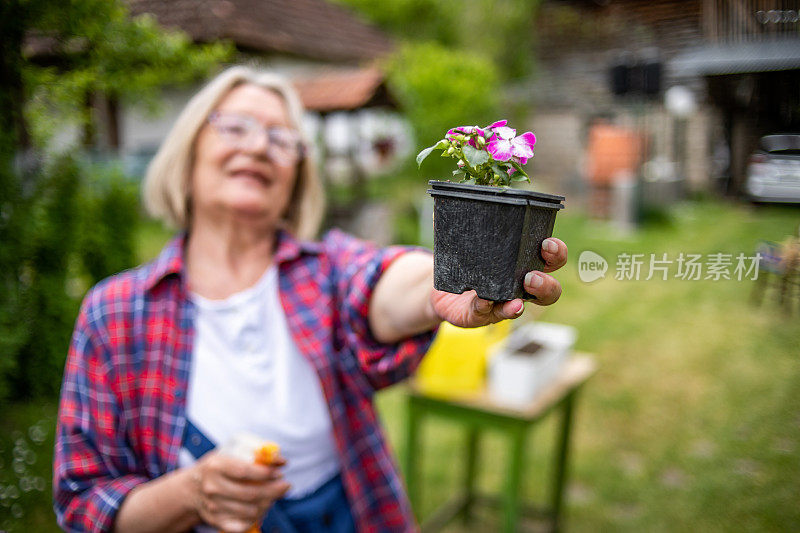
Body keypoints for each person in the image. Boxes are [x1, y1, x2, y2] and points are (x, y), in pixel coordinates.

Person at [53, 65, 568, 533]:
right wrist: (190, 494)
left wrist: (441, 284)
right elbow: (83, 504)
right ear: (188, 150)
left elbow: (383, 283)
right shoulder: (115, 312)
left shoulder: (323, 272)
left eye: (281, 138)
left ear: (298, 175)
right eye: (234, 127)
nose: (258, 147)